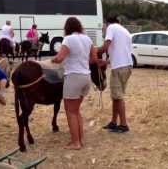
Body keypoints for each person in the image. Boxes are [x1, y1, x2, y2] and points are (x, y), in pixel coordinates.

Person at [52, 17, 104, 150]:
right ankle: (79, 139)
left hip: (73, 77)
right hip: (86, 77)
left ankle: (75, 143)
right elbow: (93, 59)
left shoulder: (68, 39)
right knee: (76, 111)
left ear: (67, 28)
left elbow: (60, 58)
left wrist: (53, 60)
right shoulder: (87, 39)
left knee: (70, 111)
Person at [101, 16, 133, 133]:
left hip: (119, 67)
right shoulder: (125, 31)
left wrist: (95, 52)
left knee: (118, 97)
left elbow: (106, 45)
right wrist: (106, 61)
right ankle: (114, 122)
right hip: (127, 66)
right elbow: (122, 51)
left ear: (107, 23)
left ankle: (124, 125)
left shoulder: (111, 27)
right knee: (116, 96)